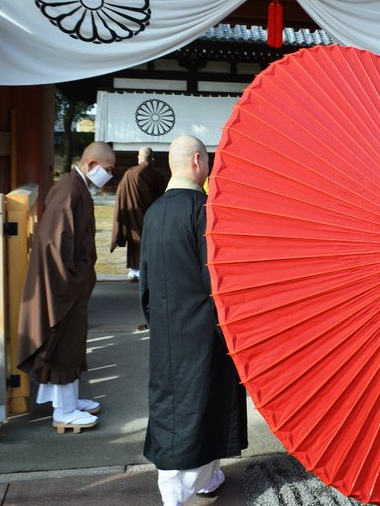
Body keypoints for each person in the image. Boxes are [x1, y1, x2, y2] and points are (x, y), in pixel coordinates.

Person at [139, 135, 247, 506]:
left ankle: (201, 480)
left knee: (173, 403)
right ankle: (180, 488)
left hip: (167, 329)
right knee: (204, 404)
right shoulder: (205, 211)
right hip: (205, 330)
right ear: (198, 161)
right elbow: (217, 278)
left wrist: (158, 321)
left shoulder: (153, 212)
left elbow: (145, 282)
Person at [17, 141, 116, 433]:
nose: (108, 176)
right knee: (62, 343)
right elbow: (55, 245)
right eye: (107, 170)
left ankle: (70, 400)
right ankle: (64, 410)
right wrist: (73, 280)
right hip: (61, 284)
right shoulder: (69, 190)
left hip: (72, 280)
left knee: (72, 343)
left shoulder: (77, 186)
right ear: (92, 165)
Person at [110, 146, 167, 282]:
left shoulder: (129, 174)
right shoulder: (158, 175)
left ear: (139, 158)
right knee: (150, 243)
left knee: (135, 241)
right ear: (152, 159)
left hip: (133, 216)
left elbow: (121, 196)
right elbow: (164, 197)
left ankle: (134, 271)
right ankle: (146, 270)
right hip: (152, 218)